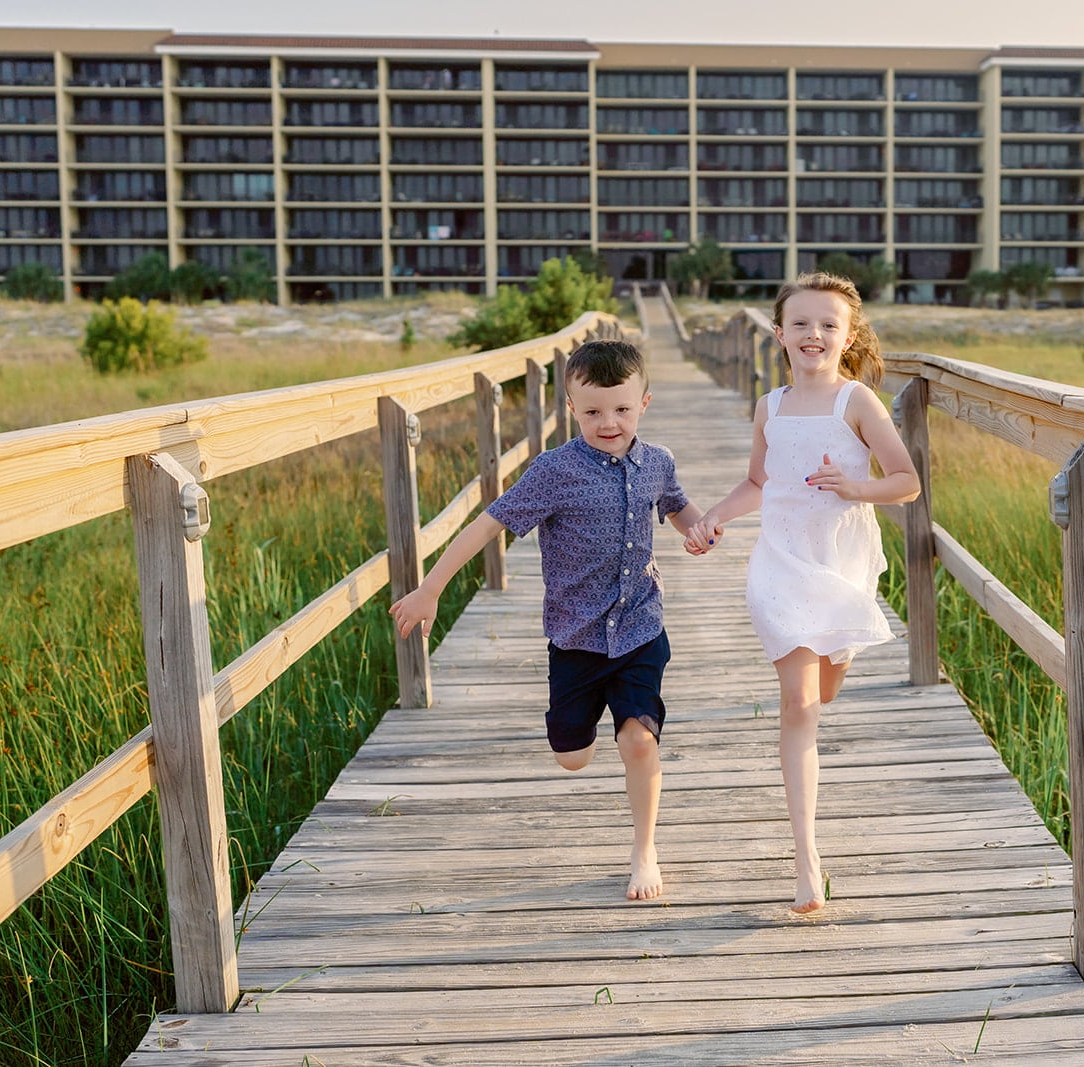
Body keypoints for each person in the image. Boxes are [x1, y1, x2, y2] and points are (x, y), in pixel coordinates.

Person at [391, 339, 708, 901]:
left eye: (621, 409)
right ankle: (580, 731)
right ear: (570, 408)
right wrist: (430, 589)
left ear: (645, 402)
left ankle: (644, 852)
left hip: (640, 628)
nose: (608, 422)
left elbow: (676, 503)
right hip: (576, 637)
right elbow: (487, 526)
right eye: (592, 412)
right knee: (572, 757)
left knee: (639, 741)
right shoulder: (554, 471)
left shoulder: (658, 460)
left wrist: (697, 528)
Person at [685, 272, 920, 914]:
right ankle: (806, 858)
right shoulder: (771, 406)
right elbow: (759, 482)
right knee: (799, 704)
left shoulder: (859, 403)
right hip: (781, 561)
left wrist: (856, 488)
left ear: (847, 337)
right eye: (801, 324)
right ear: (780, 333)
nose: (813, 334)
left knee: (826, 687)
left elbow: (905, 481)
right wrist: (712, 518)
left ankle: (834, 660)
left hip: (842, 561)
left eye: (828, 324)